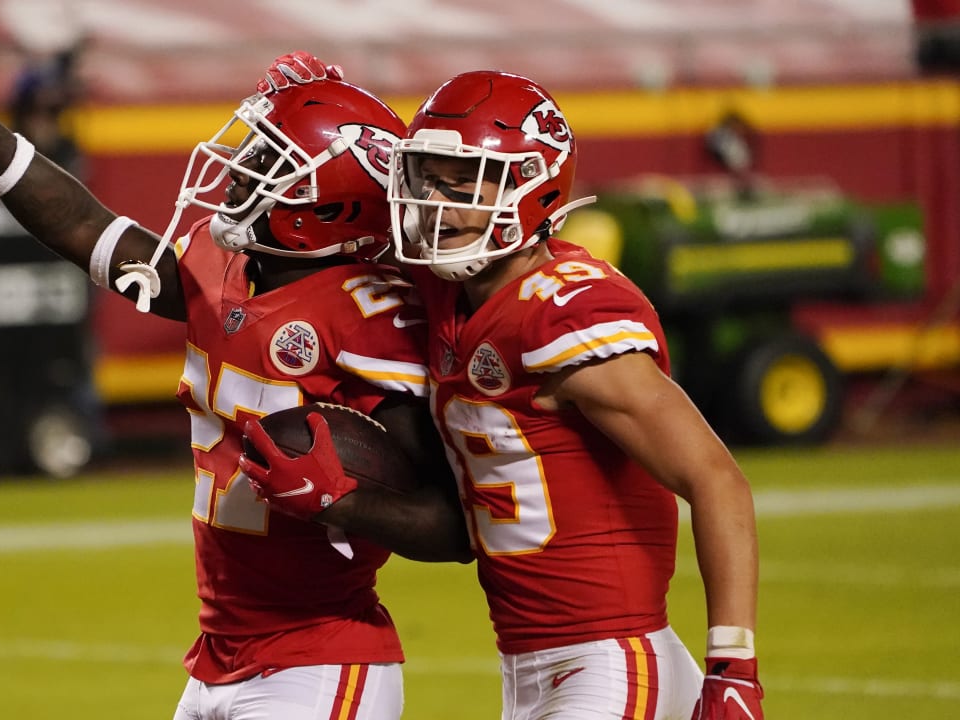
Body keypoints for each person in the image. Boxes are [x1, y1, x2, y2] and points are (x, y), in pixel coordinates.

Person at [0, 29, 469, 720]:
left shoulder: (370, 322)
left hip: (320, 660)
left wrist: (346, 502)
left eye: (269, 159)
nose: (240, 168)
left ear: (325, 207)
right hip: (220, 655)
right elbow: (83, 228)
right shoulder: (221, 272)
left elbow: (456, 530)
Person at [239, 67, 764, 719]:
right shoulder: (447, 290)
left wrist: (734, 667)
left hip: (611, 660)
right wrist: (324, 105)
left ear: (535, 192)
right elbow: (346, 213)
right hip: (534, 666)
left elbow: (717, 479)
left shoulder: (563, 314)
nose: (436, 204)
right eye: (427, 179)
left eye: (463, 185)